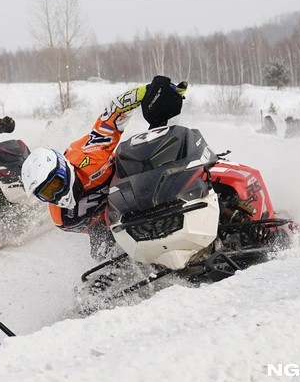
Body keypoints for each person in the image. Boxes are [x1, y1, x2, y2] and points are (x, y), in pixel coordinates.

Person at [21, 76, 187, 259]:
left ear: (63, 169)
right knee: (103, 255)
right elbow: (95, 229)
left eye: (55, 185)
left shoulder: (90, 154)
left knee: (146, 153)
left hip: (133, 178)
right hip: (110, 219)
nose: (56, 195)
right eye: (47, 194)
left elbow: (114, 111)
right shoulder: (63, 218)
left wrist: (148, 92)